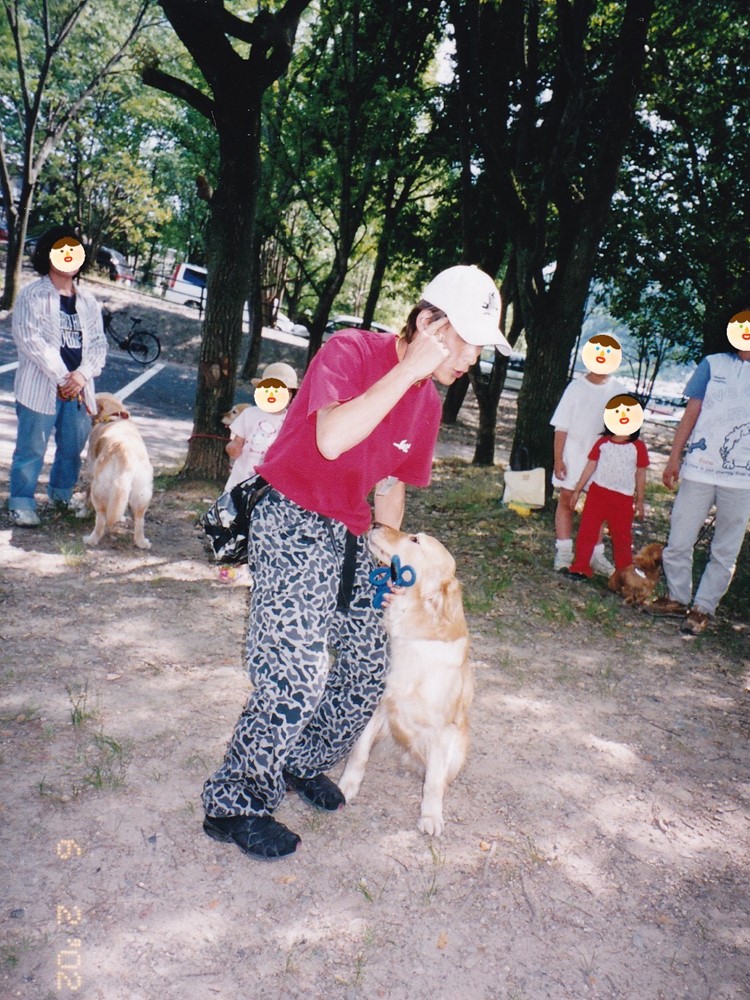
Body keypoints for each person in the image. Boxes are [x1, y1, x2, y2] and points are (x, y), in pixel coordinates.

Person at [201, 264, 511, 861]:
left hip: (353, 533)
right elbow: (331, 439)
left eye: (480, 345)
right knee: (296, 671)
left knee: (370, 665)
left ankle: (301, 760)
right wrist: (407, 371)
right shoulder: (349, 351)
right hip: (291, 515)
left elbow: (391, 485)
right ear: (428, 323)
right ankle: (233, 802)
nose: (473, 357)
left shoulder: (427, 405)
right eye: (467, 339)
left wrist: (393, 567)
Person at [645, 310, 750, 635]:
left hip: (742, 479)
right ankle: (677, 598)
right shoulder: (712, 364)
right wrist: (673, 458)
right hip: (699, 470)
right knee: (679, 540)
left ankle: (703, 608)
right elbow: (691, 413)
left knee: (725, 550)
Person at [7, 226, 107, 526]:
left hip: (79, 391)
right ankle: (21, 502)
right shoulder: (32, 295)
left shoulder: (88, 302)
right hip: (40, 386)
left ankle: (61, 496)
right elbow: (30, 339)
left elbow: (99, 344)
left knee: (72, 448)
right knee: (31, 448)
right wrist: (65, 378)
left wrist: (82, 375)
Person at [550, 334, 626, 572]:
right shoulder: (576, 387)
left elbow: (625, 431)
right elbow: (561, 426)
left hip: (603, 460)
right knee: (566, 500)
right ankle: (564, 551)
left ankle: (595, 554)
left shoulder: (619, 391)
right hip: (574, 454)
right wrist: (558, 458)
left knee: (599, 507)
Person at [564, 394, 649, 580]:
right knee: (587, 531)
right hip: (598, 494)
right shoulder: (603, 443)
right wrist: (577, 490)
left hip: (623, 499)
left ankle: (624, 577)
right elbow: (590, 466)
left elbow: (641, 473)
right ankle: (580, 567)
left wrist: (640, 500)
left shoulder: (638, 447)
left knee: (622, 538)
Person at [223, 362, 298, 493]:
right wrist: (233, 447)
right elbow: (237, 441)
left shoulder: (290, 421)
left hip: (269, 484)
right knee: (233, 504)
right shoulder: (250, 414)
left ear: (291, 396)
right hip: (241, 478)